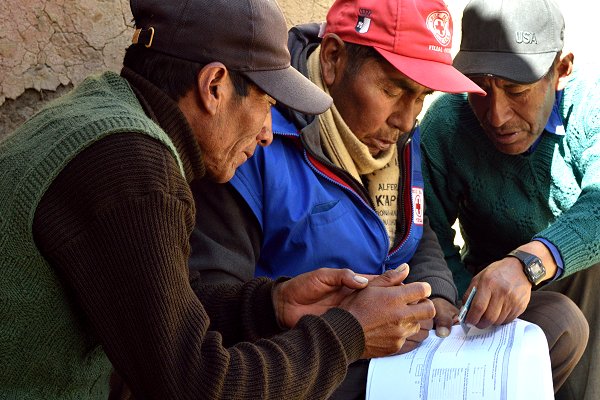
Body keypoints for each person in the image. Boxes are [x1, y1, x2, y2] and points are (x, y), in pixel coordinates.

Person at [0, 0, 439, 398]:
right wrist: (348, 334)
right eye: (267, 104)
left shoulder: (106, 113)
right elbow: (195, 386)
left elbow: (164, 316)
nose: (268, 132)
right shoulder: (133, 167)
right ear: (214, 86)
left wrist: (271, 304)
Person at [189, 0, 584, 397]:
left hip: (403, 345)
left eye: (420, 96)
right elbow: (214, 310)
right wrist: (344, 329)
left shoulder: (394, 138)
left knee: (558, 320)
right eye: (392, 89)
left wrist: (440, 296)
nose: (407, 118)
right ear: (332, 59)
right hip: (316, 362)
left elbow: (418, 228)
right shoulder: (254, 143)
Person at [420, 0, 597, 398]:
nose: (496, 115)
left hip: (577, 289)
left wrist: (529, 263)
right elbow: (425, 231)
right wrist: (458, 299)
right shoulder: (446, 125)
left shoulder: (591, 106)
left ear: (561, 70)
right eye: (479, 89)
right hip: (493, 304)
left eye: (516, 90)